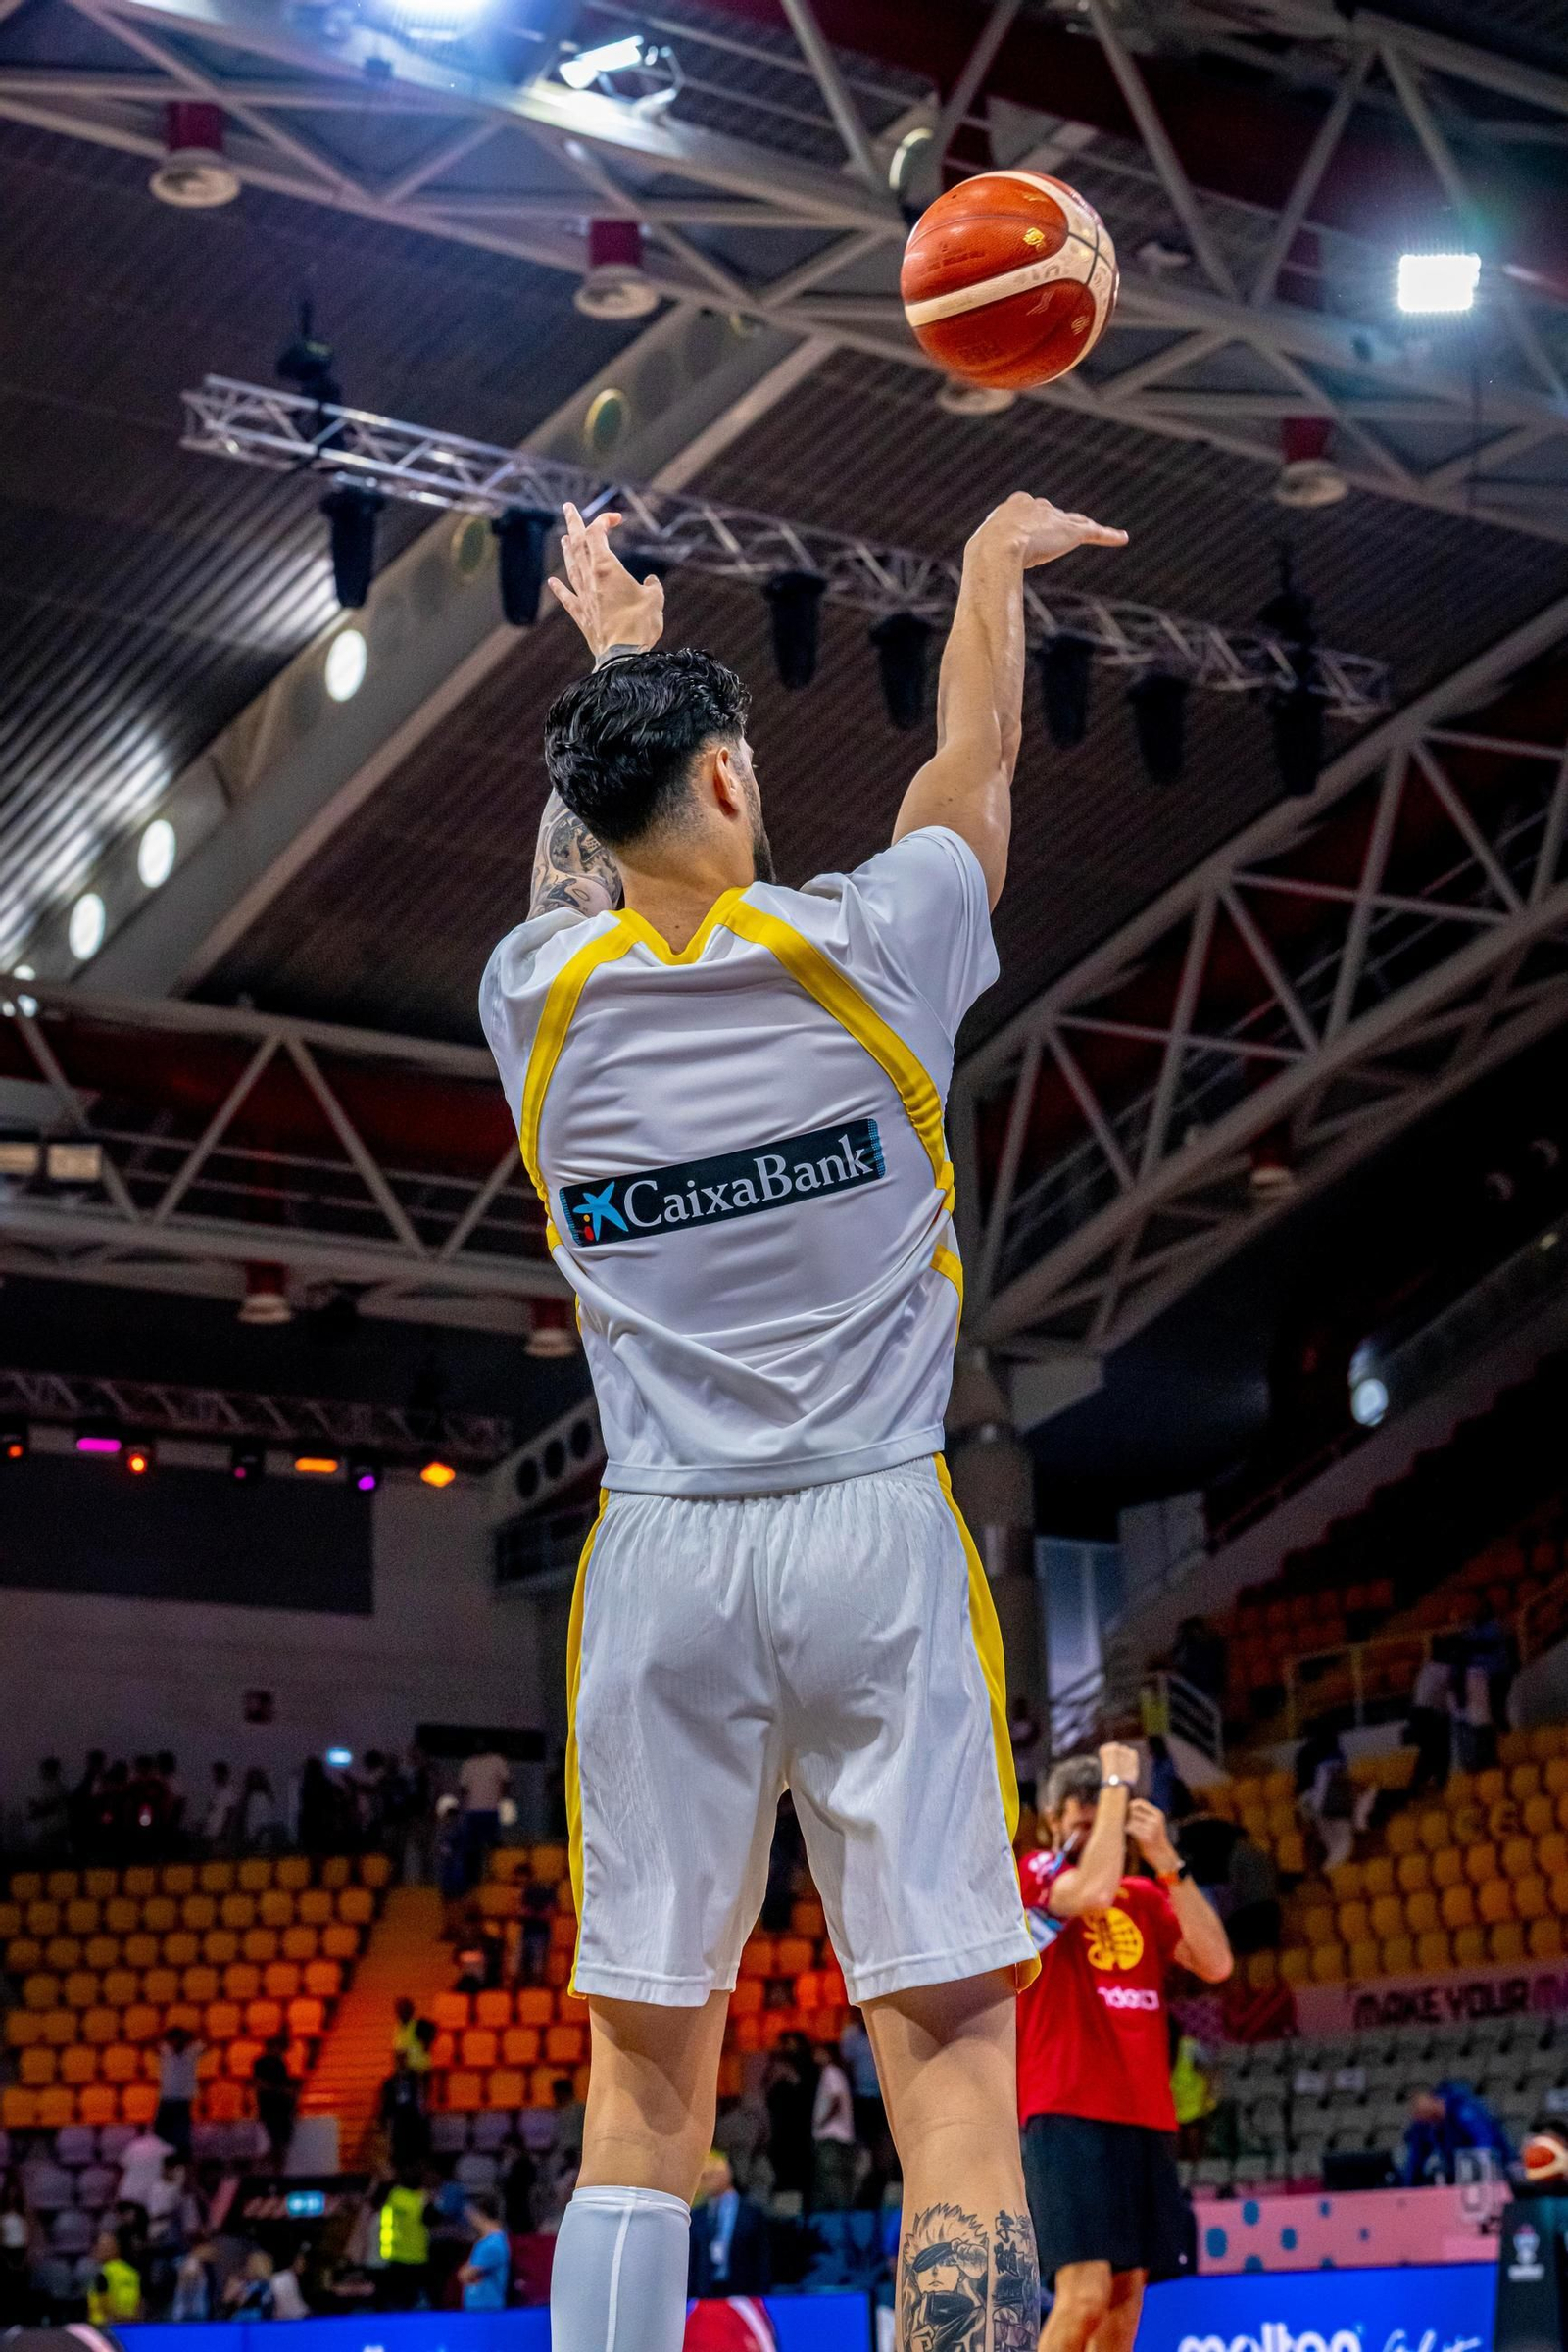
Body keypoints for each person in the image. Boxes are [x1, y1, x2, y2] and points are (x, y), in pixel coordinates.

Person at [479, 488, 1127, 2352]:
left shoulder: (539, 1005)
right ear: (739, 788)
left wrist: (612, 663)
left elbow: (573, 886)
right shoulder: (884, 945)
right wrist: (989, 569)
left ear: (598, 832)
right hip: (876, 1540)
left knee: (643, 2102)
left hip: (664, 1558)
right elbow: (973, 769)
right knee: (952, 2097)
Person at [1018, 1743, 1234, 2352]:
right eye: (1080, 1819)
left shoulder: (1143, 1897)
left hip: (1143, 2114)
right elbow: (1089, 1893)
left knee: (1122, 2303)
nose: (1093, 1830)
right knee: (1083, 2295)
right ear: (1052, 1822)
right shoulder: (1033, 1872)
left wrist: (1166, 1858)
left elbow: (1216, 1962)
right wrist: (1115, 1783)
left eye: (1104, 1815)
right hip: (1066, 2109)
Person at [689, 2152, 771, 2299]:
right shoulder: (697, 2215)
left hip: (743, 2292)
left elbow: (762, 2259)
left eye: (711, 2175)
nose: (706, 2182)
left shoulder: (751, 2213)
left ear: (727, 2174)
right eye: (703, 2177)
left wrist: (761, 2295)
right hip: (704, 2294)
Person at [1397, 2082, 1513, 2184]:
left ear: (1432, 2100)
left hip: (1494, 2168)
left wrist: (1477, 2170)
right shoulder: (1424, 2123)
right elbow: (1416, 2157)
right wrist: (1407, 2188)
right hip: (1457, 2173)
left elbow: (1484, 2140)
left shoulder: (1462, 2109)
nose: (1421, 2115)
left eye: (1421, 2108)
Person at [810, 2041, 858, 2211]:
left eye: (819, 2052)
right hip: (839, 2134)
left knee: (832, 2176)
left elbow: (836, 2100)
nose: (815, 2056)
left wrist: (823, 2121)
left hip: (832, 2134)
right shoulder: (836, 2073)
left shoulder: (831, 2073)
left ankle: (840, 2213)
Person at [376, 2169, 431, 2309]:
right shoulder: (422, 2199)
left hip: (395, 2254)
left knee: (396, 2299)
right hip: (416, 2256)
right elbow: (432, 2219)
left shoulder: (393, 2195)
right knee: (412, 2300)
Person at [457, 1747, 511, 1891]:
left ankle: (497, 1879)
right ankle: (472, 1884)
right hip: (473, 1812)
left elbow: (506, 1783)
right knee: (472, 1850)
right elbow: (463, 1788)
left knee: (494, 1848)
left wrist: (502, 1802)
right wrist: (463, 1809)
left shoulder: (497, 1760)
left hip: (492, 1810)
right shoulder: (469, 1763)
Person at [1406, 1645, 1456, 1795]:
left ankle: (1419, 1786)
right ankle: (1433, 1784)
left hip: (1418, 1713)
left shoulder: (1427, 1668)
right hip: (1427, 1715)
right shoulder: (1443, 1670)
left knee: (1430, 1752)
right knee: (1436, 1752)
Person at [458, 2189, 512, 2311]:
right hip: (479, 2307)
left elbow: (464, 2275)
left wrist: (465, 2271)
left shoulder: (492, 2245)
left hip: (486, 2308)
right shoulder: (486, 2242)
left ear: (480, 2214)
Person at [155, 2025, 201, 2159]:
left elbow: (209, 2043)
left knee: (182, 2132)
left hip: (183, 2099)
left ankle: (182, 2157)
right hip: (166, 2097)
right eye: (174, 2039)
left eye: (179, 2039)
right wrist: (164, 2034)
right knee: (161, 2132)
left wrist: (191, 2034)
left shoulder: (192, 2050)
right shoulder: (165, 2050)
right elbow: (150, 2043)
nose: (177, 2042)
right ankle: (164, 2157)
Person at [378, 2052, 430, 2173]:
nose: (401, 2063)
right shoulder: (390, 2082)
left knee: (413, 2148)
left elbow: (420, 2099)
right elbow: (387, 2104)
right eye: (398, 2060)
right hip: (399, 2120)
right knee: (399, 2149)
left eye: (403, 2059)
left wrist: (422, 2116)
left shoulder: (415, 2079)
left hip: (413, 2119)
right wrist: (384, 2121)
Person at [253, 2033, 298, 2167]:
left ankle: (277, 2170)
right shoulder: (261, 2063)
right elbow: (261, 2086)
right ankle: (270, 2169)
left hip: (282, 2109)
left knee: (282, 2144)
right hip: (271, 2109)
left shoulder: (281, 2063)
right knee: (276, 2144)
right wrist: (282, 2091)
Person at [87, 2228, 143, 2327]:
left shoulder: (102, 2273)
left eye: (107, 2247)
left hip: (104, 2327)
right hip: (131, 2324)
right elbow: (140, 2305)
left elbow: (104, 2307)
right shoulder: (132, 2272)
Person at [118, 2124, 174, 2213]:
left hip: (131, 2196)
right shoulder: (169, 2150)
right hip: (152, 2199)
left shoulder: (134, 2146)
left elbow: (122, 2170)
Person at [201, 1761, 236, 1852]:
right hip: (210, 1829)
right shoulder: (215, 1790)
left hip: (219, 1830)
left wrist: (224, 1831)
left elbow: (231, 1812)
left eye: (217, 1773)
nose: (215, 1776)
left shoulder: (229, 1790)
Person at [270, 2246, 312, 2319]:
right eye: (300, 2259)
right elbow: (292, 2310)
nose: (304, 2263)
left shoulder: (293, 2277)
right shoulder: (282, 2278)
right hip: (285, 2323)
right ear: (293, 2260)